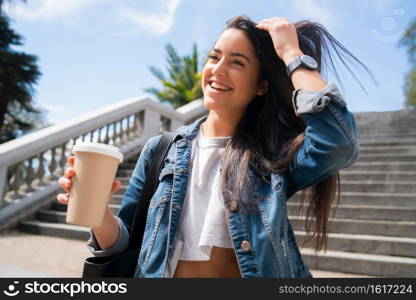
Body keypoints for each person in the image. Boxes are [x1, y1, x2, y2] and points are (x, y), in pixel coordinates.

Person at [57, 16, 370, 278]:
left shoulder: (272, 156)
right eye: (214, 56)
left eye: (237, 62)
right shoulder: (161, 150)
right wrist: (97, 212)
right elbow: (123, 242)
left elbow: (338, 142)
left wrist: (291, 53)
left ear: (261, 85)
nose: (218, 70)